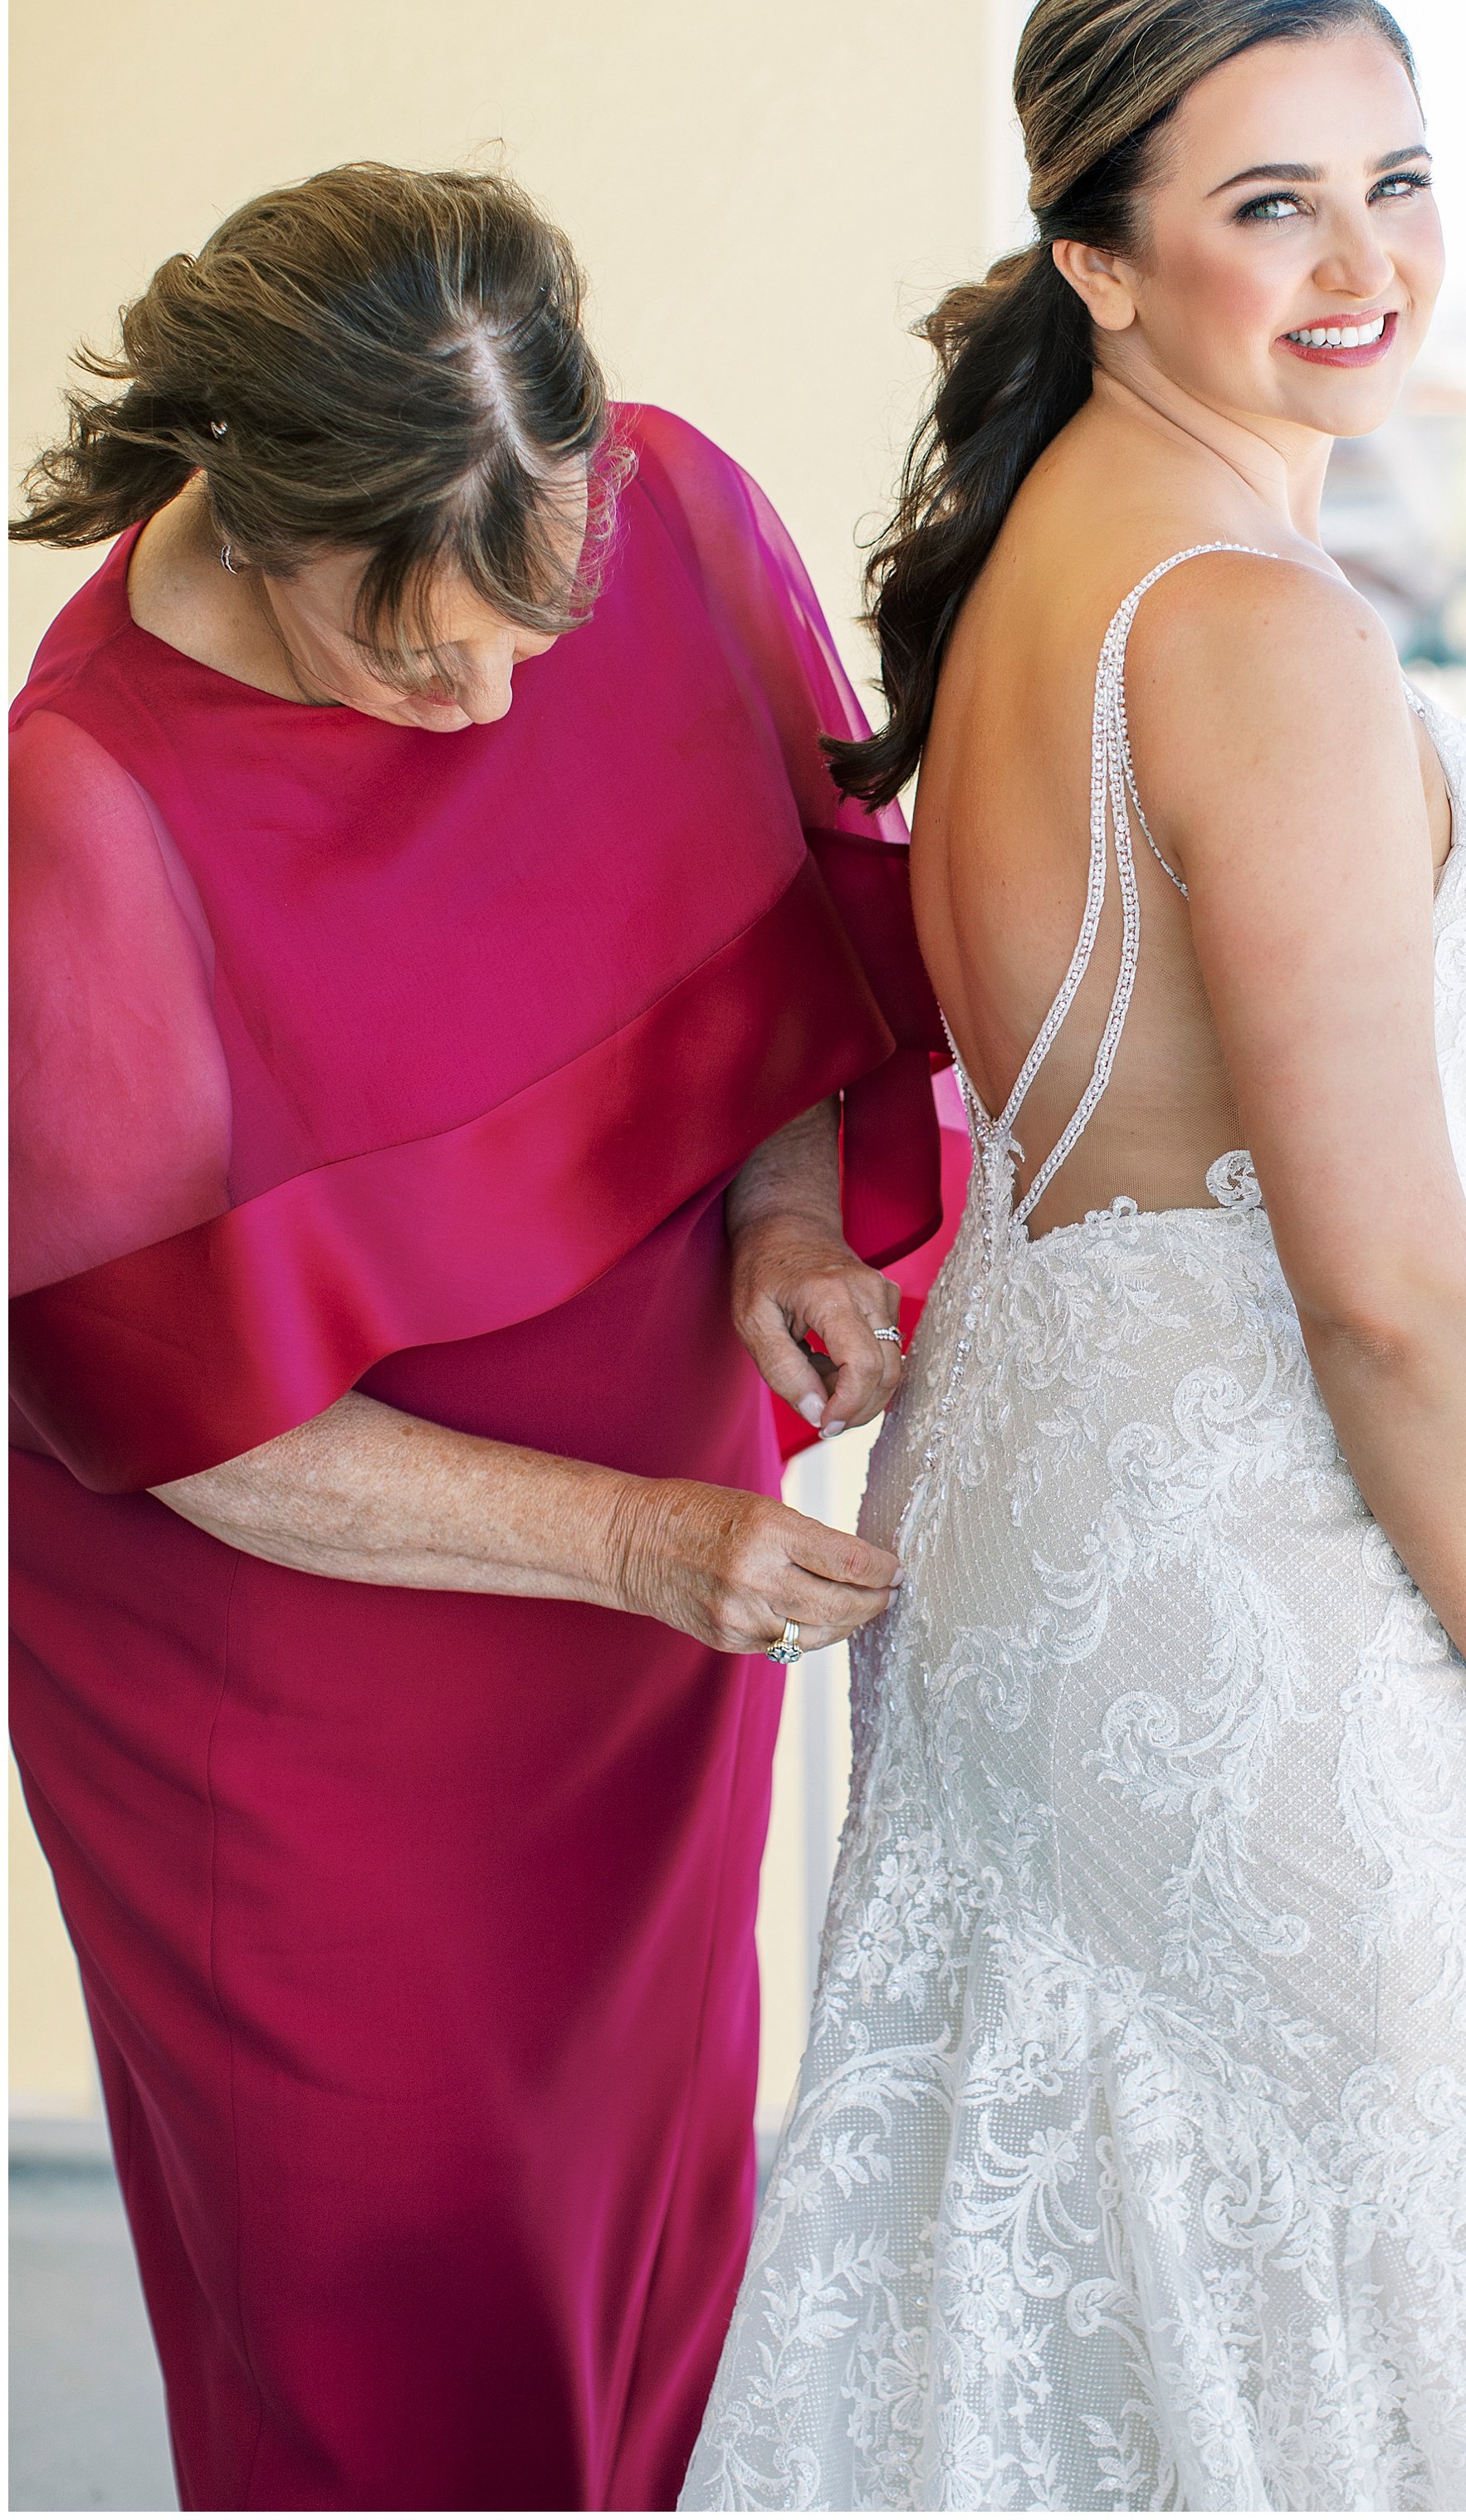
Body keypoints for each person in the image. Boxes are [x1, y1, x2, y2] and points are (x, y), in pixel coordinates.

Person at [685, 0, 1466, 2512]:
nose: (1366, 264)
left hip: (1037, 1507)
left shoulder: (1045, 542)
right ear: (1098, 256)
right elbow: (1380, 1283)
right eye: (1273, 205)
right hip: (1253, 1576)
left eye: (1396, 180)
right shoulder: (1249, 630)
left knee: (1055, 2285)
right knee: (1363, 2297)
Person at [9, 163, 955, 2511]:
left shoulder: (668, 513)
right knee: (396, 2315)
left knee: (634, 2245)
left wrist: (781, 1224)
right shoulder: (75, 814)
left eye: (538, 615)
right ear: (245, 499)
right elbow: (195, 1439)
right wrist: (646, 1544)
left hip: (639, 1642)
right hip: (294, 1683)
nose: (493, 690)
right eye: (415, 641)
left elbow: (774, 971)